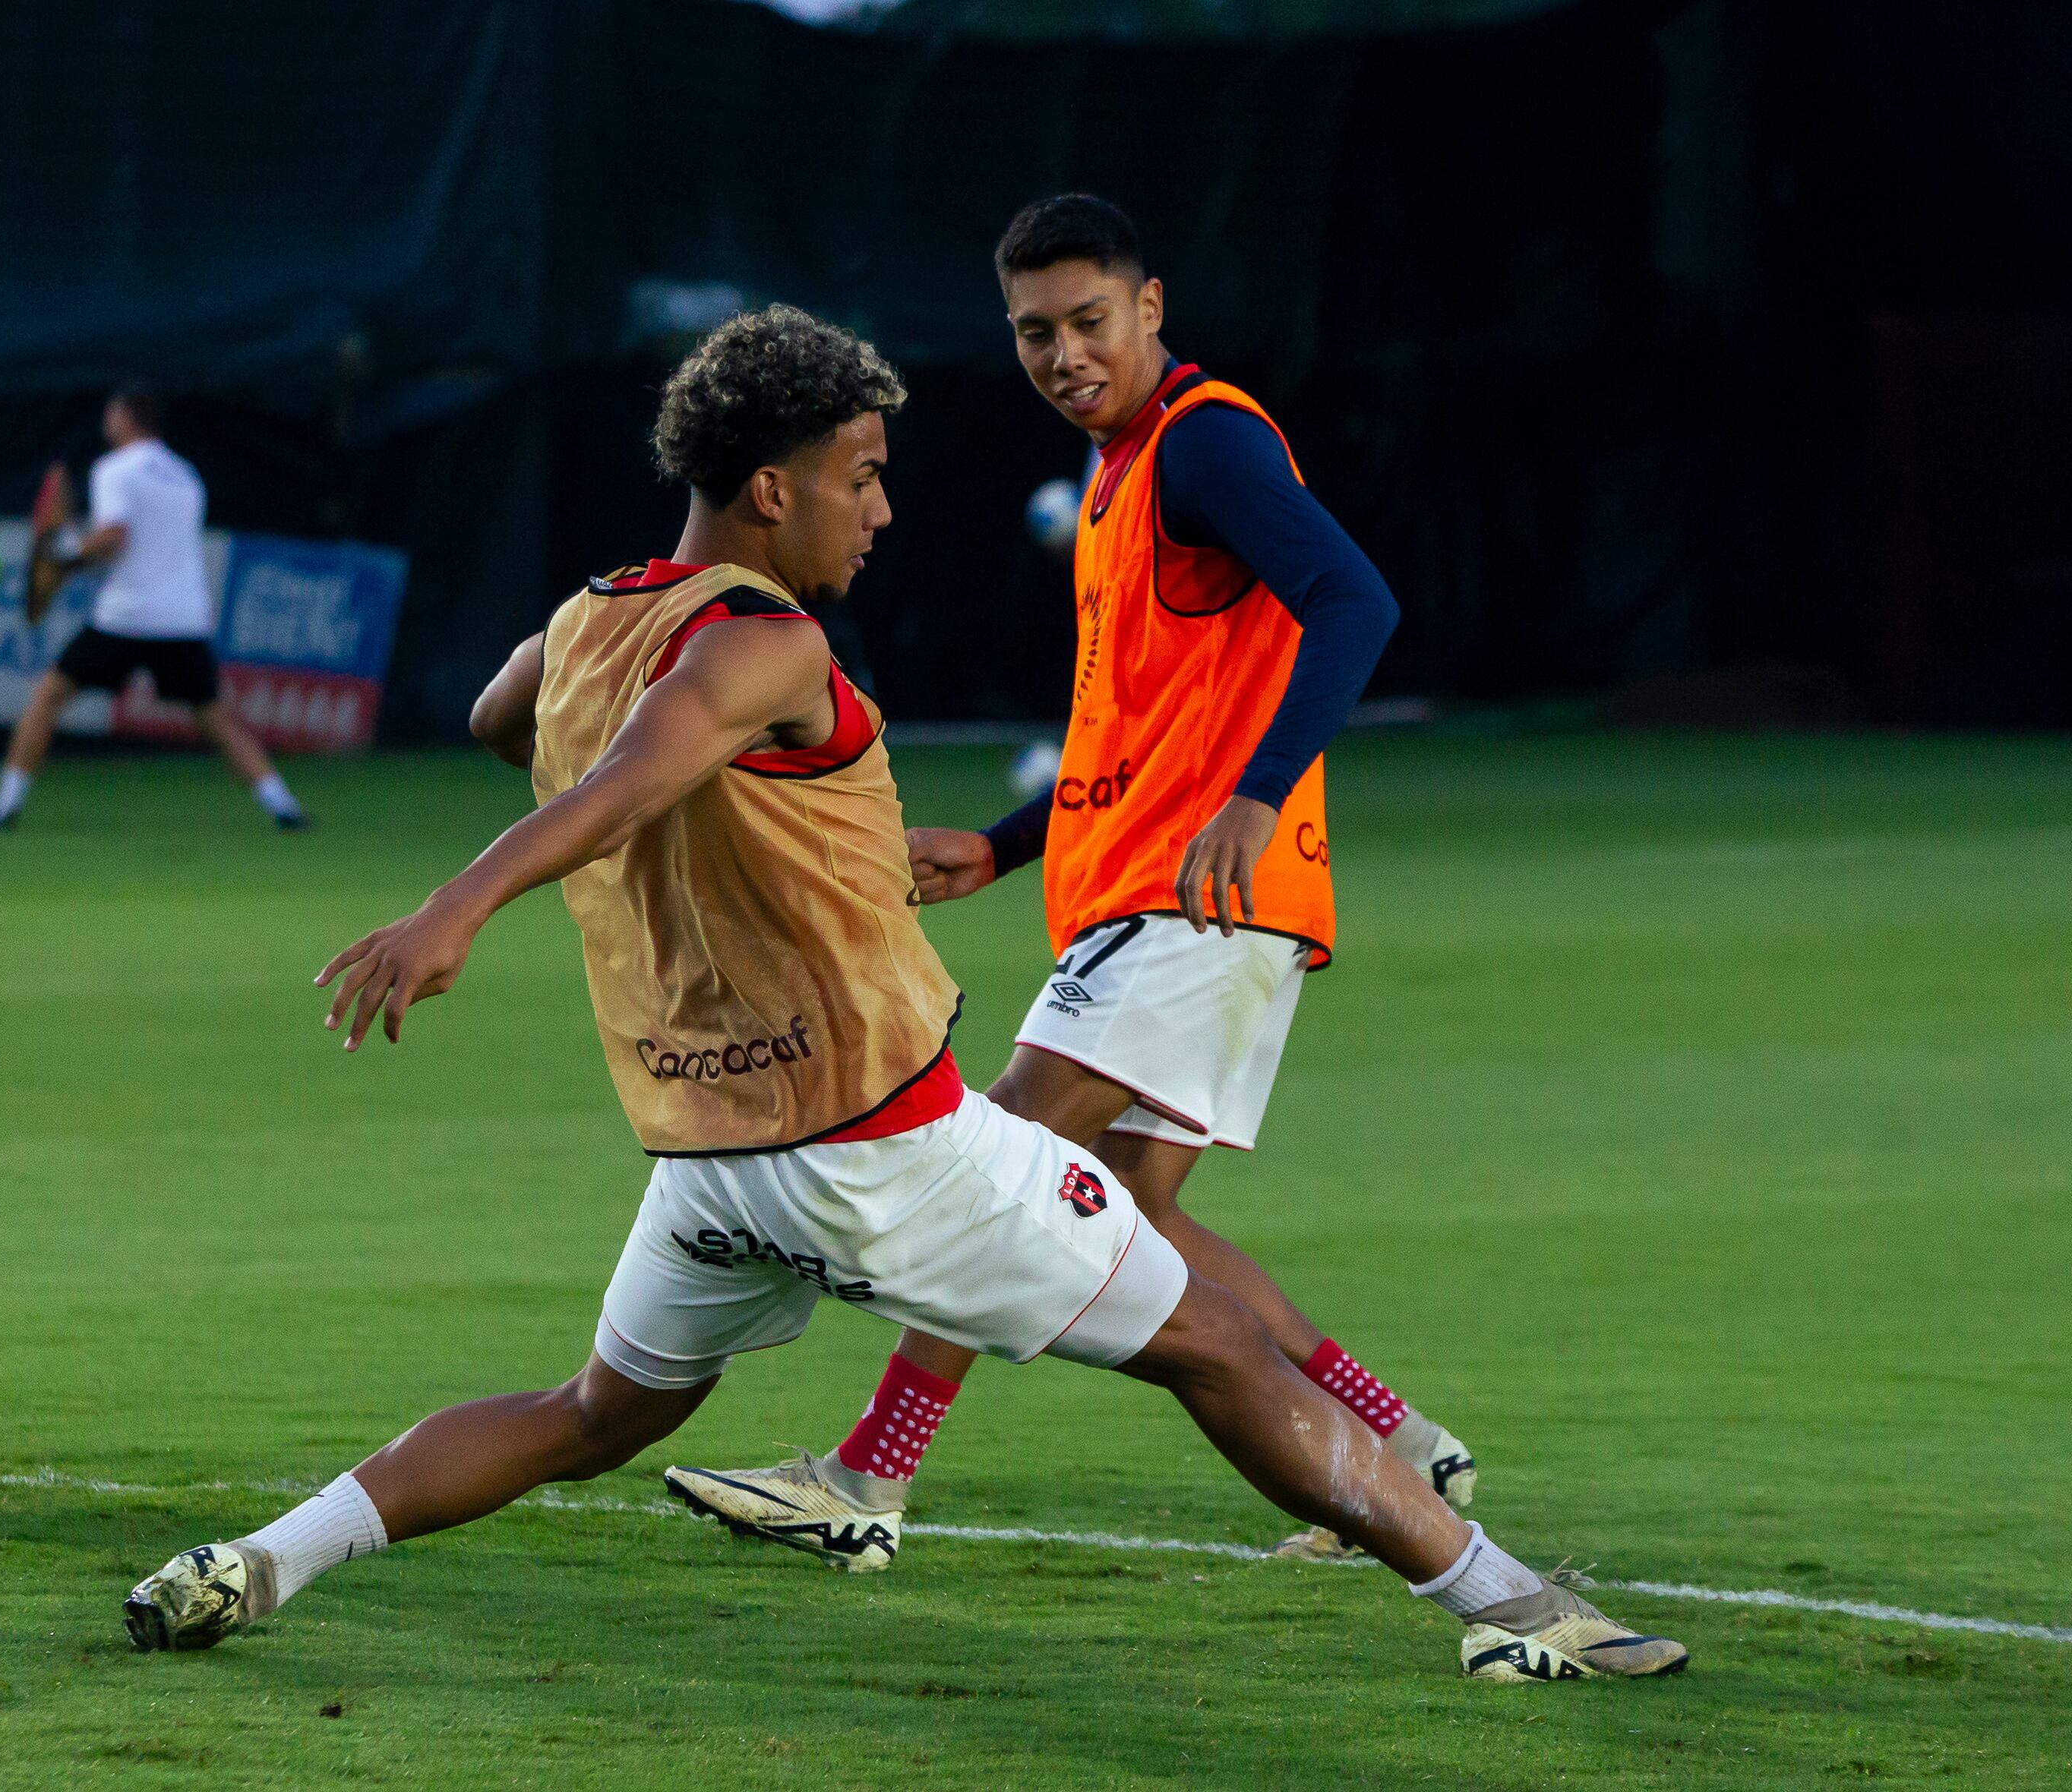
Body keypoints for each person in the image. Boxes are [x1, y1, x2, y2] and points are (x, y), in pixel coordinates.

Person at [119, 307, 1682, 1684]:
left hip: (708, 1154)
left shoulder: (593, 615)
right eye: (860, 474)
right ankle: (1512, 1603)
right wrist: (456, 905)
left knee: (594, 1410)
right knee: (1212, 1341)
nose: (881, 505)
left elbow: (502, 715)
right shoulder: (768, 643)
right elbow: (654, 760)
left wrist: (649, 786)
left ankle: (263, 1558)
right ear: (772, 487)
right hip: (885, 1145)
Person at [669, 196, 1462, 1566]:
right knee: (1132, 1211)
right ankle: (1393, 1443)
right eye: (1035, 332)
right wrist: (1006, 841)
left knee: (1001, 1162)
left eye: (1090, 322)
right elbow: (1144, 730)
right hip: (1177, 898)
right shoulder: (1127, 470)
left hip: (1196, 901)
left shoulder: (1204, 442)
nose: (1063, 354)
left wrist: (1258, 802)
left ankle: (867, 1475)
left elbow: (1359, 600)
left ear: (1151, 310)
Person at [0, 386, 306, 831]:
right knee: (213, 715)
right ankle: (283, 806)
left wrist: (65, 551)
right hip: (183, 618)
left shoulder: (116, 469)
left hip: (127, 616)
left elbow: (115, 537)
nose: (106, 422)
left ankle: (5, 807)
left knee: (48, 695)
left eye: (111, 413)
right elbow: (149, 548)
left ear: (125, 418)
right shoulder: (185, 473)